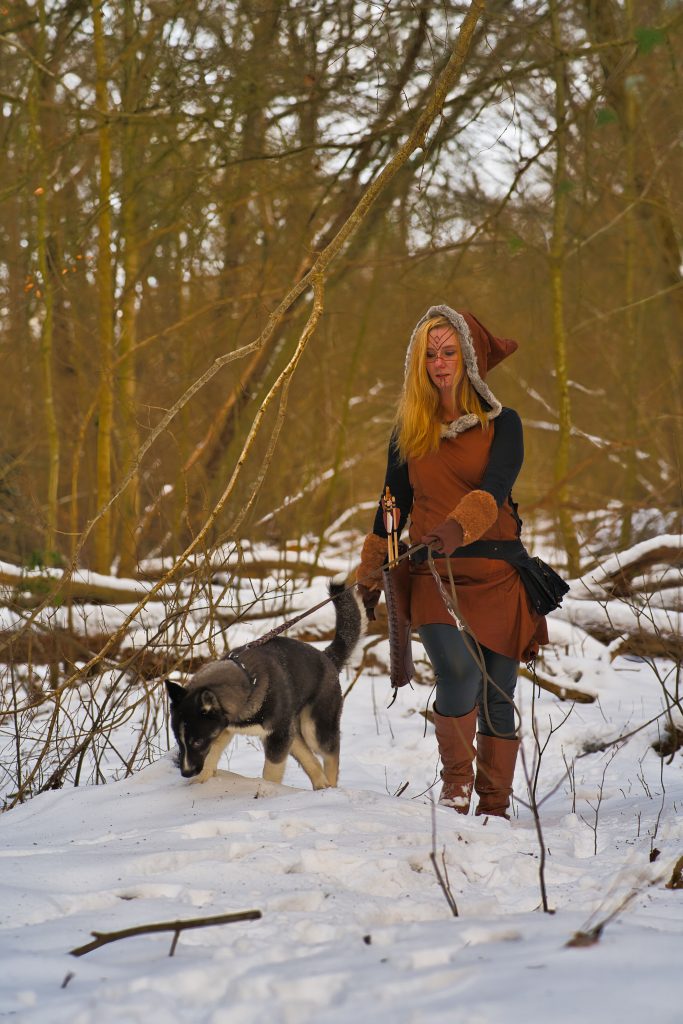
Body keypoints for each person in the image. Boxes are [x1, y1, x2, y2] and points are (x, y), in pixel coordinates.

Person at [357, 305, 548, 819]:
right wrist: (369, 573)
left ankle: (494, 806)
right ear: (417, 364)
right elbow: (389, 508)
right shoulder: (408, 432)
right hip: (433, 576)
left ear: (467, 359)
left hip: (500, 575)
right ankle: (457, 790)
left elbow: (495, 490)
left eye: (449, 353)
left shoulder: (504, 424)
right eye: (429, 355)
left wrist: (455, 528)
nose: (439, 364)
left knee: (499, 695)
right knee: (458, 674)